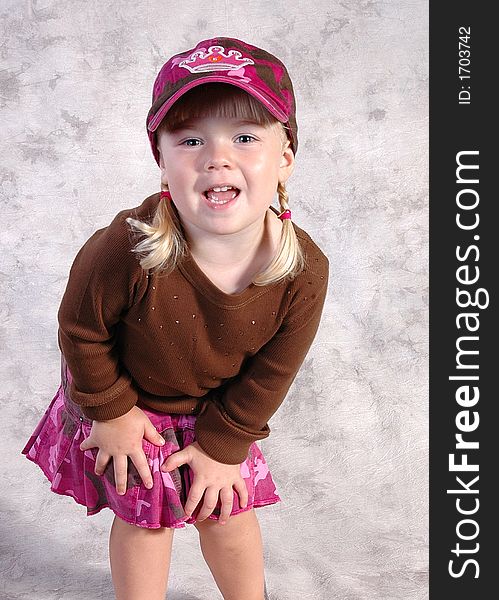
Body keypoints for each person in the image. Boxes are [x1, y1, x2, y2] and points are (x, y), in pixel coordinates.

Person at [21, 37, 329, 600]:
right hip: (123, 394)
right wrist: (111, 413)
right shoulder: (127, 247)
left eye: (244, 137)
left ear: (284, 155)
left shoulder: (302, 272)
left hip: (214, 406)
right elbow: (81, 330)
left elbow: (271, 373)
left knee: (226, 509)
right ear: (161, 159)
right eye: (190, 139)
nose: (217, 157)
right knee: (147, 518)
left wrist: (221, 447)